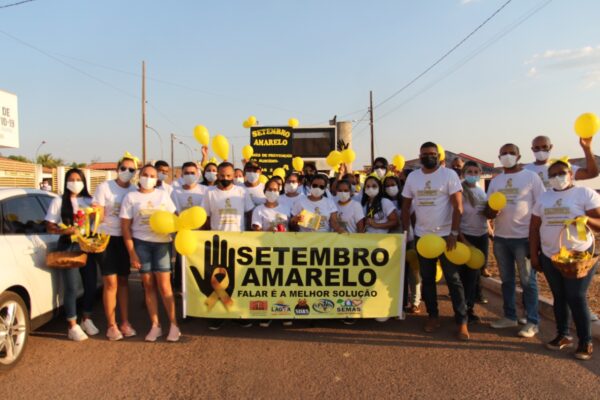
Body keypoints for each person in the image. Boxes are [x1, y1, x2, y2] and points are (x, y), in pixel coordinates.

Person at [530, 159, 600, 360]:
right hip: (552, 256)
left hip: (578, 257)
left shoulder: (583, 194)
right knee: (559, 297)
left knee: (576, 296)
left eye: (561, 173)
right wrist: (535, 254)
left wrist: (587, 220)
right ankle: (563, 335)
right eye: (552, 175)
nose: (557, 177)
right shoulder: (544, 197)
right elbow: (534, 227)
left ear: (571, 174)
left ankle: (585, 341)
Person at [401, 142, 470, 340]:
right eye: (424, 154)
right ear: (419, 156)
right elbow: (405, 207)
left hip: (446, 236)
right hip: (424, 238)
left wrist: (454, 233)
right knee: (427, 279)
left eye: (432, 154)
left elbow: (458, 207)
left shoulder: (449, 175)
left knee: (453, 279)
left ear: (439, 156)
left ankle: (462, 321)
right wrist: (407, 231)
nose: (428, 157)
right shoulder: (413, 177)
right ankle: (433, 316)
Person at [486, 143, 545, 338]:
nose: (508, 156)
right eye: (504, 153)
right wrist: (492, 211)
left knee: (528, 282)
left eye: (512, 153)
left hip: (524, 239)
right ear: (499, 157)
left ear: (519, 156)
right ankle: (509, 316)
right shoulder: (496, 181)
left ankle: (532, 321)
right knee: (507, 281)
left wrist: (537, 238)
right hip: (502, 238)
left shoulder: (531, 177)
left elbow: (541, 207)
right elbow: (487, 210)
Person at [120, 164, 181, 342]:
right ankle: (155, 325)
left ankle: (174, 325)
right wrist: (132, 253)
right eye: (145, 175)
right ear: (139, 177)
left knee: (165, 286)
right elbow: (125, 226)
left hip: (162, 244)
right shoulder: (131, 197)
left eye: (152, 175)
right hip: (141, 244)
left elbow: (175, 217)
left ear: (157, 179)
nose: (149, 178)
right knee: (148, 286)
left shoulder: (163, 195)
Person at [45, 168, 99, 341]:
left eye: (78, 179)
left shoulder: (90, 200)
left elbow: (99, 221)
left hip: (88, 246)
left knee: (90, 284)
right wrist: (66, 230)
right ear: (66, 182)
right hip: (69, 246)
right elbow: (49, 226)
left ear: (84, 181)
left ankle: (86, 318)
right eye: (71, 179)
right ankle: (72, 325)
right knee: (72, 287)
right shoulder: (58, 201)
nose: (75, 182)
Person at [201, 161, 254, 330]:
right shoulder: (210, 194)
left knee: (238, 279)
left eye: (229, 176)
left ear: (234, 176)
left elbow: (250, 213)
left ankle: (238, 313)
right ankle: (218, 314)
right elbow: (206, 217)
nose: (225, 179)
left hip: (239, 242)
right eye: (222, 176)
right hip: (218, 243)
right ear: (217, 176)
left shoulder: (242, 192)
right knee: (218, 279)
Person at [92, 155, 138, 340]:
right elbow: (98, 214)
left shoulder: (135, 191)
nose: (127, 172)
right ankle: (111, 325)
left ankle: (125, 322)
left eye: (132, 170)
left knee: (124, 281)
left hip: (126, 239)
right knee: (110, 283)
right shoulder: (105, 187)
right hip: (107, 238)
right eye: (124, 168)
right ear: (118, 169)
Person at [251, 177, 292, 328]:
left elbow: (293, 226)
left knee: (283, 283)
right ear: (264, 191)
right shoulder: (259, 209)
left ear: (279, 191)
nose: (273, 192)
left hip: (284, 250)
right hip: (265, 250)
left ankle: (284, 312)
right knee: (267, 283)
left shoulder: (285, 208)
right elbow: (255, 230)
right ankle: (266, 314)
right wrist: (267, 230)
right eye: (270, 189)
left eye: (275, 189)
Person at [384, 175, 421, 314]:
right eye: (387, 185)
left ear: (399, 186)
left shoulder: (406, 201)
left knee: (413, 272)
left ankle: (416, 302)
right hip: (390, 242)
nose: (390, 187)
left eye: (393, 184)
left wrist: (415, 238)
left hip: (408, 240)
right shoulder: (382, 202)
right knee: (396, 273)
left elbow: (414, 220)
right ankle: (400, 301)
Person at [459, 161, 489, 323]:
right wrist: (462, 239)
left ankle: (468, 307)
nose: (472, 174)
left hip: (482, 236)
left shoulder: (481, 191)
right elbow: (455, 215)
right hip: (466, 237)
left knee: (476, 274)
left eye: (476, 171)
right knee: (467, 276)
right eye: (469, 171)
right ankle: (464, 310)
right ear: (463, 173)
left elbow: (485, 215)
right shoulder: (459, 191)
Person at [524, 135, 598, 188]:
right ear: (532, 149)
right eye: (537, 148)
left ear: (551, 147)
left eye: (544, 147)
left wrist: (587, 149)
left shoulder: (562, 168)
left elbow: (591, 174)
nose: (541, 150)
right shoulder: (525, 170)